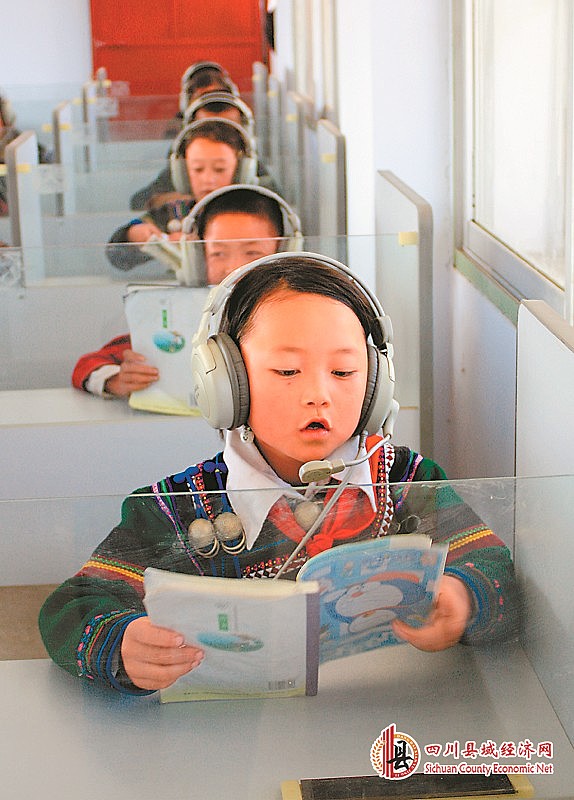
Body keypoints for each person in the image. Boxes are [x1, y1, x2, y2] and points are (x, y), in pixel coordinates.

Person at [41, 254, 519, 694]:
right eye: (288, 371)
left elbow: (494, 567)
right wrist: (122, 643)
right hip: (235, 736)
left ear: (376, 384)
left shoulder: (408, 481)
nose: (319, 395)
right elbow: (73, 606)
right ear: (226, 382)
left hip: (388, 715)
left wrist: (463, 597)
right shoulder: (177, 508)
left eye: (344, 372)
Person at [74, 186, 299, 397]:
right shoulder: (186, 316)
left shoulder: (305, 316)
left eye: (253, 253)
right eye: (218, 254)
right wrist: (114, 379)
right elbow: (88, 364)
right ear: (197, 259)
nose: (233, 268)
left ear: (285, 254)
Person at [108, 119, 256, 271]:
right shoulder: (176, 212)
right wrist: (133, 235)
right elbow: (117, 256)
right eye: (198, 169)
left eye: (219, 169)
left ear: (241, 172)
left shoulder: (260, 214)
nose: (208, 179)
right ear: (183, 173)